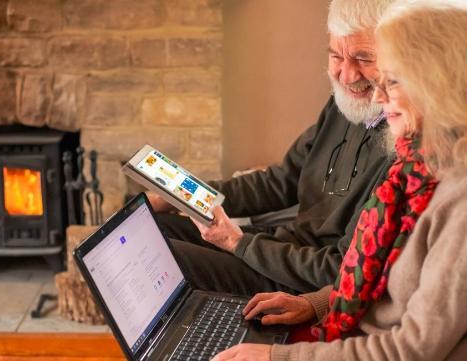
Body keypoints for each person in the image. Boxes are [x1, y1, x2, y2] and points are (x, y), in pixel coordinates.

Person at [214, 1, 467, 359]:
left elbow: (409, 350)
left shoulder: (458, 200)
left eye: (391, 81)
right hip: (343, 323)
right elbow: (379, 280)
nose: (378, 96)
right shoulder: (418, 168)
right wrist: (317, 304)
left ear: (436, 86)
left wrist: (274, 357)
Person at [149, 0, 395, 296]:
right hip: (278, 248)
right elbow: (279, 182)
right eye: (336, 56)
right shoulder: (345, 105)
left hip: (297, 280)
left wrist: (237, 243)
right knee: (154, 226)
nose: (346, 75)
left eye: (363, 58)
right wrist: (179, 194)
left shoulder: (399, 146)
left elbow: (338, 269)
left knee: (162, 255)